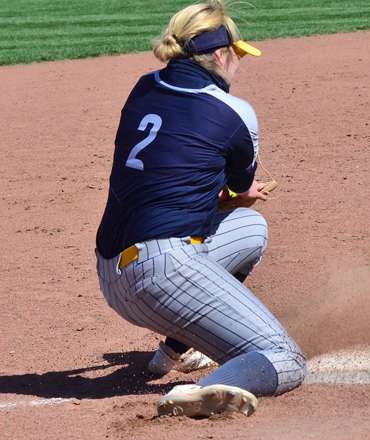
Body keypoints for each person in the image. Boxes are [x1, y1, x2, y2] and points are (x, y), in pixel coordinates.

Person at [95, 0, 305, 418]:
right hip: (162, 273)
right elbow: (237, 190)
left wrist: (230, 199)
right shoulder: (235, 113)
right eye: (238, 56)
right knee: (285, 358)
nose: (239, 66)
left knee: (250, 230)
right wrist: (242, 193)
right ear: (221, 56)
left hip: (111, 272)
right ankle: (199, 392)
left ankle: (173, 351)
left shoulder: (143, 87)